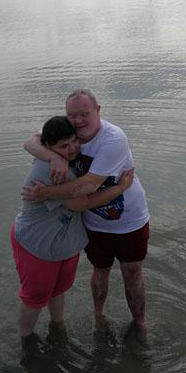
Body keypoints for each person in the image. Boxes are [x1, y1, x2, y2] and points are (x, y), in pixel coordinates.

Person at [22, 90, 150, 334]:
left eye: (84, 114)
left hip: (130, 220)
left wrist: (46, 192)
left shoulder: (113, 138)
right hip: (94, 223)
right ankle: (98, 314)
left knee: (133, 273)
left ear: (98, 110)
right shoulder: (67, 132)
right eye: (73, 115)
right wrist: (55, 158)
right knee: (99, 271)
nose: (78, 120)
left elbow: (89, 185)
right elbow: (30, 142)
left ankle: (140, 322)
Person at [12, 115, 134, 351]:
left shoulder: (65, 158)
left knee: (58, 291)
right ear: (49, 147)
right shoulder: (49, 170)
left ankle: (58, 328)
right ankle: (25, 343)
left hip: (64, 243)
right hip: (38, 244)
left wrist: (56, 156)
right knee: (34, 298)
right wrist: (120, 188)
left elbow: (32, 140)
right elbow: (82, 203)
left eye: (73, 141)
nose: (72, 149)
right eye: (63, 147)